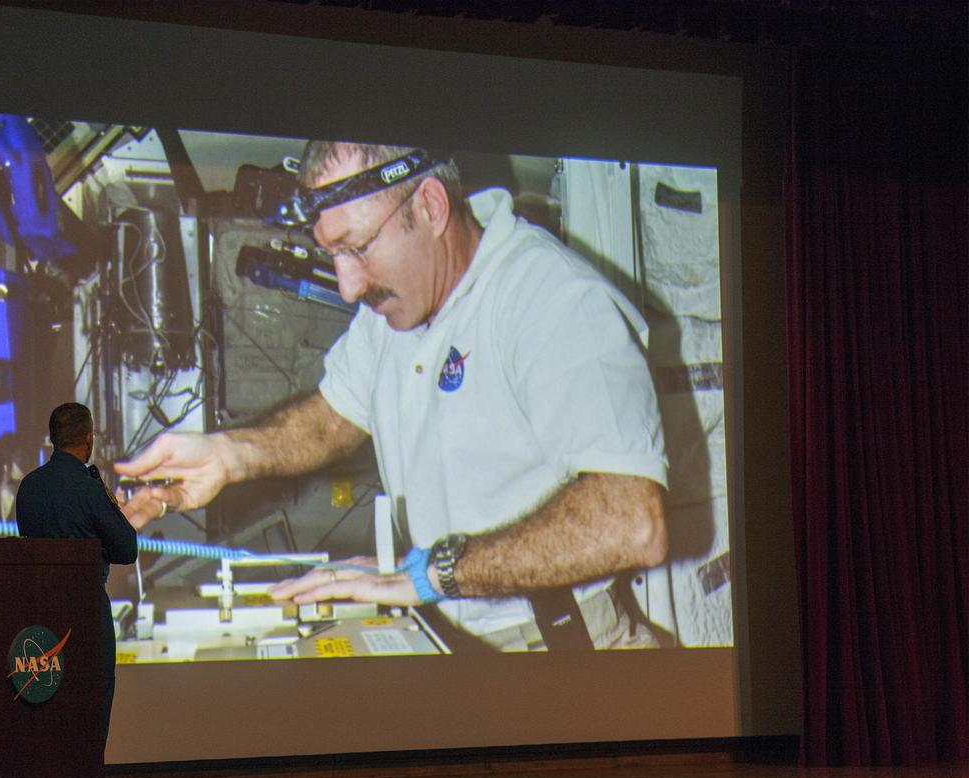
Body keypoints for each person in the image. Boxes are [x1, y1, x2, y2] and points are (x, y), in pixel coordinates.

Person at [116, 141, 669, 651]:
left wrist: (430, 573)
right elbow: (334, 417)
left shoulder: (551, 299)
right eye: (333, 254)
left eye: (355, 249)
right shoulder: (394, 313)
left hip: (563, 650)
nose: (349, 285)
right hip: (450, 631)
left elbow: (629, 521)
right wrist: (226, 454)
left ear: (429, 206)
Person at [16, 402, 138, 734]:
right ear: (88, 438)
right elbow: (127, 548)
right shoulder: (88, 488)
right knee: (90, 714)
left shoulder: (29, 487)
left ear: (54, 438)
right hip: (85, 616)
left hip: (38, 618)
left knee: (47, 716)